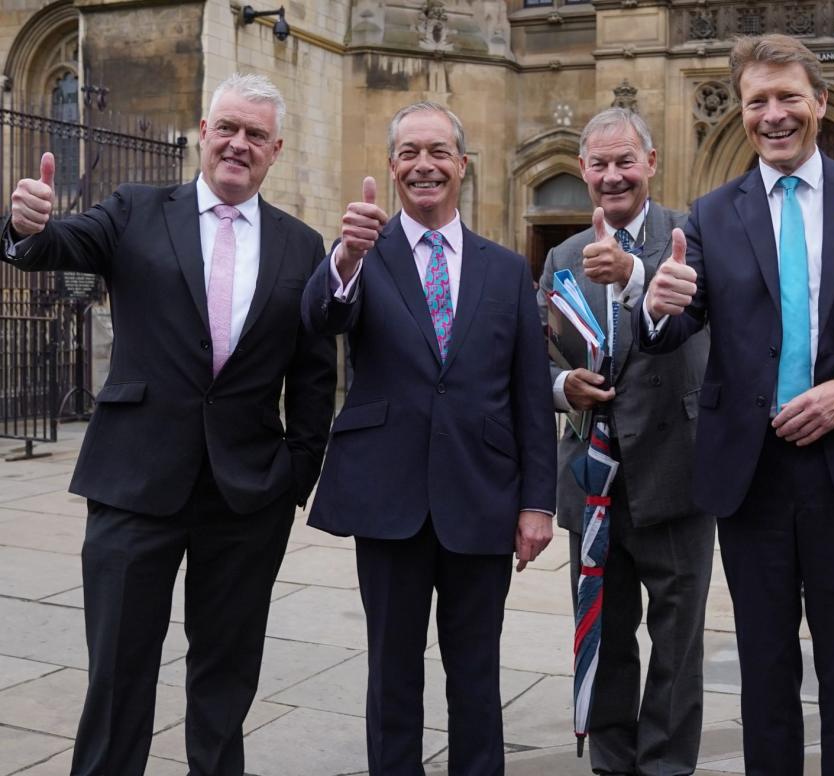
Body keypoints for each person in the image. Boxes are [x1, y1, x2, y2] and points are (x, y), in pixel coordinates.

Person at [2, 73, 337, 775]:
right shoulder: (135, 210)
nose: (237, 144)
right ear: (203, 133)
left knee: (225, 682)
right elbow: (56, 245)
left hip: (247, 497)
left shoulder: (302, 246)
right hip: (134, 485)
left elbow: (313, 374)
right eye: (226, 128)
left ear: (276, 149)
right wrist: (23, 227)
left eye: (254, 135)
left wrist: (295, 474)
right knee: (118, 679)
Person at [640, 33, 834, 776]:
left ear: (820, 102)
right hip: (753, 480)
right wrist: (653, 305)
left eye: (787, 98)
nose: (772, 115)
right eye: (757, 102)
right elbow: (678, 323)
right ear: (742, 111)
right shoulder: (712, 213)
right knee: (765, 673)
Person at [301, 101, 556, 775]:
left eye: (438, 151)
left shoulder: (505, 270)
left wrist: (539, 503)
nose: (424, 164)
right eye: (409, 152)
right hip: (389, 500)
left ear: (462, 166)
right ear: (391, 168)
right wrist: (345, 258)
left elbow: (531, 394)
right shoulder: (363, 256)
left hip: (482, 496)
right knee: (392, 673)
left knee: (477, 672)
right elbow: (321, 315)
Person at [537, 107, 713, 776]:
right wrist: (562, 387)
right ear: (583, 171)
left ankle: (667, 767)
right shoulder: (560, 257)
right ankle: (612, 764)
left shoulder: (689, 237)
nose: (613, 177)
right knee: (604, 637)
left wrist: (638, 278)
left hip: (678, 473)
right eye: (599, 164)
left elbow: (704, 328)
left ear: (652, 164)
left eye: (625, 162)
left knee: (677, 642)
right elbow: (539, 355)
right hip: (593, 480)